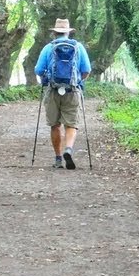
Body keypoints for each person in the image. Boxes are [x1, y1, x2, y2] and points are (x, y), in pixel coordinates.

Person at [33, 18, 91, 170]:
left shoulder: (48, 48)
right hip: (72, 91)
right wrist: (79, 81)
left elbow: (38, 70)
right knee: (71, 124)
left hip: (53, 91)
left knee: (55, 125)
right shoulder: (78, 47)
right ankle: (68, 150)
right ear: (68, 32)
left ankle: (58, 159)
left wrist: (46, 77)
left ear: (54, 32)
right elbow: (86, 70)